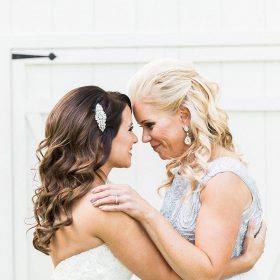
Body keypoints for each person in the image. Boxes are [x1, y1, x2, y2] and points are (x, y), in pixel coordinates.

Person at [90, 59, 266, 279]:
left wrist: (146, 213)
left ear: (184, 116)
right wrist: (243, 262)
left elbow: (207, 272)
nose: (144, 138)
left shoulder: (222, 180)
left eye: (149, 125)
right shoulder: (192, 169)